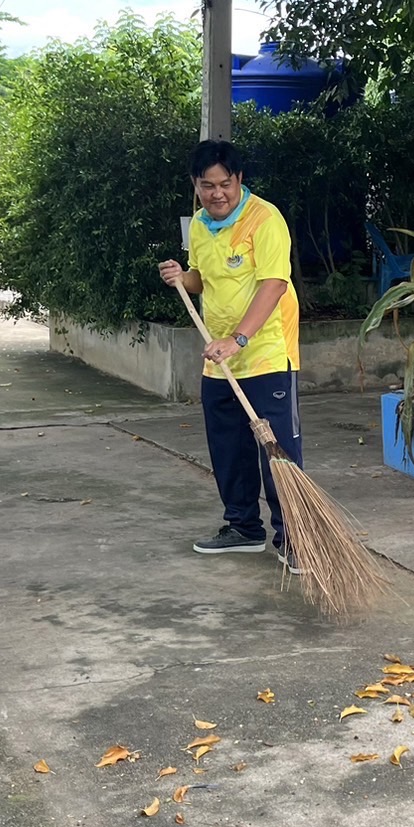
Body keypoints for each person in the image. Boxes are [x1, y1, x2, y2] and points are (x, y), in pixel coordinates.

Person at [158, 140, 303, 572]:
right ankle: (243, 527)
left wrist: (238, 339)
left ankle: (294, 538)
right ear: (196, 186)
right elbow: (202, 279)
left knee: (278, 452)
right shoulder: (200, 225)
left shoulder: (266, 219)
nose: (217, 193)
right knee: (228, 448)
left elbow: (274, 285)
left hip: (265, 354)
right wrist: (180, 277)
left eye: (225, 184)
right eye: (207, 186)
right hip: (218, 357)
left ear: (239, 180)